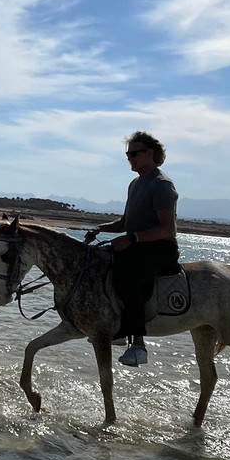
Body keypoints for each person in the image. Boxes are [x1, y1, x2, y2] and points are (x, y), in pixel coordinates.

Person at [85, 131, 180, 367]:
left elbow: (168, 229)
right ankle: (115, 328)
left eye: (134, 154)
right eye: (128, 155)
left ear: (150, 154)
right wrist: (101, 228)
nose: (130, 158)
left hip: (160, 249)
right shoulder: (136, 184)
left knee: (130, 281)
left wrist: (132, 239)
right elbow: (125, 223)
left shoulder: (161, 185)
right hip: (138, 245)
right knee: (99, 267)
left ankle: (138, 345)